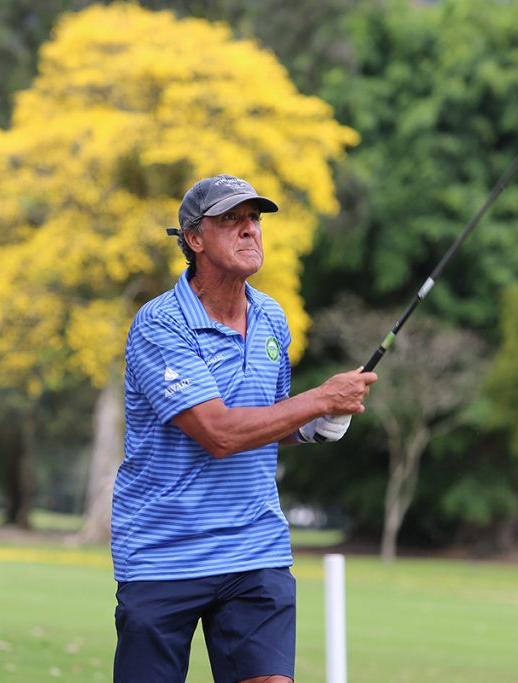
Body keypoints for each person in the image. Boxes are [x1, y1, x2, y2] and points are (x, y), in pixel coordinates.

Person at [112, 174, 378, 683]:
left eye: (254, 219)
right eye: (231, 219)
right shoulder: (160, 323)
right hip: (165, 553)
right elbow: (219, 434)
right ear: (194, 238)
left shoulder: (272, 317)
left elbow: (268, 418)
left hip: (254, 548)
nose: (249, 230)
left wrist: (313, 425)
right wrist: (320, 398)